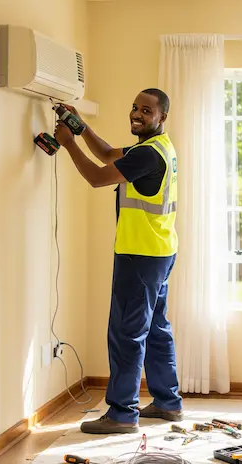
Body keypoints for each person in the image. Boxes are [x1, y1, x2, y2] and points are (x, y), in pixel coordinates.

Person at [54, 89, 183, 434]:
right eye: (134, 107)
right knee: (155, 329)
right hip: (159, 251)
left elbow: (98, 176)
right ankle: (168, 403)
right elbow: (110, 153)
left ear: (161, 117)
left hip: (140, 256)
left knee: (127, 333)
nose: (137, 113)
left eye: (146, 110)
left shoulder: (147, 156)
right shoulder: (157, 147)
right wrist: (80, 127)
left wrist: (68, 144)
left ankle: (122, 414)